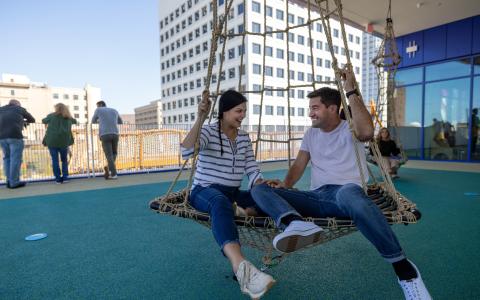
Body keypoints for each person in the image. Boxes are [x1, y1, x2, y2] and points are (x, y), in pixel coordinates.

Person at [250, 69, 431, 300]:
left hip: (347, 194)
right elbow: (299, 165)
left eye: (315, 108)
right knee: (259, 188)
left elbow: (367, 132)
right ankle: (293, 222)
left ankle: (405, 271)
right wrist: (285, 185)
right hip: (317, 197)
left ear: (333, 108)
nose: (310, 113)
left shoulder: (351, 129)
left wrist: (351, 90)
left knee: (349, 193)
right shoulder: (310, 134)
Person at [180, 90, 297, 299]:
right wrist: (200, 117)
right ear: (224, 112)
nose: (242, 115)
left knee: (268, 197)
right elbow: (186, 152)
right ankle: (241, 267)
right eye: (238, 111)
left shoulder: (243, 137)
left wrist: (260, 184)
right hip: (205, 191)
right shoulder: (208, 132)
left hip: (232, 193)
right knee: (220, 203)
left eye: (244, 111)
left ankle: (244, 212)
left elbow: (251, 168)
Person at [0, 99, 35, 189]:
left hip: (2, 137)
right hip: (15, 136)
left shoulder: (1, 109)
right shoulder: (19, 109)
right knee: (15, 159)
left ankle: (8, 181)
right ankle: (14, 182)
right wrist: (22, 121)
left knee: (7, 158)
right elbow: (32, 119)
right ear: (17, 104)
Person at [42, 103, 77, 184]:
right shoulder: (68, 117)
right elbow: (75, 121)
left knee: (55, 160)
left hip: (52, 141)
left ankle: (58, 179)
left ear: (56, 109)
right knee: (64, 160)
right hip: (64, 141)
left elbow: (43, 121)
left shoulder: (52, 115)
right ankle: (65, 178)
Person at [92, 101, 123, 179]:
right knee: (114, 153)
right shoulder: (114, 110)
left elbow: (93, 121)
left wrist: (100, 121)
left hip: (105, 134)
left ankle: (113, 174)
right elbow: (120, 122)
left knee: (109, 155)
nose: (97, 107)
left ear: (101, 105)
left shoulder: (98, 110)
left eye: (97, 106)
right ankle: (109, 168)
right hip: (115, 133)